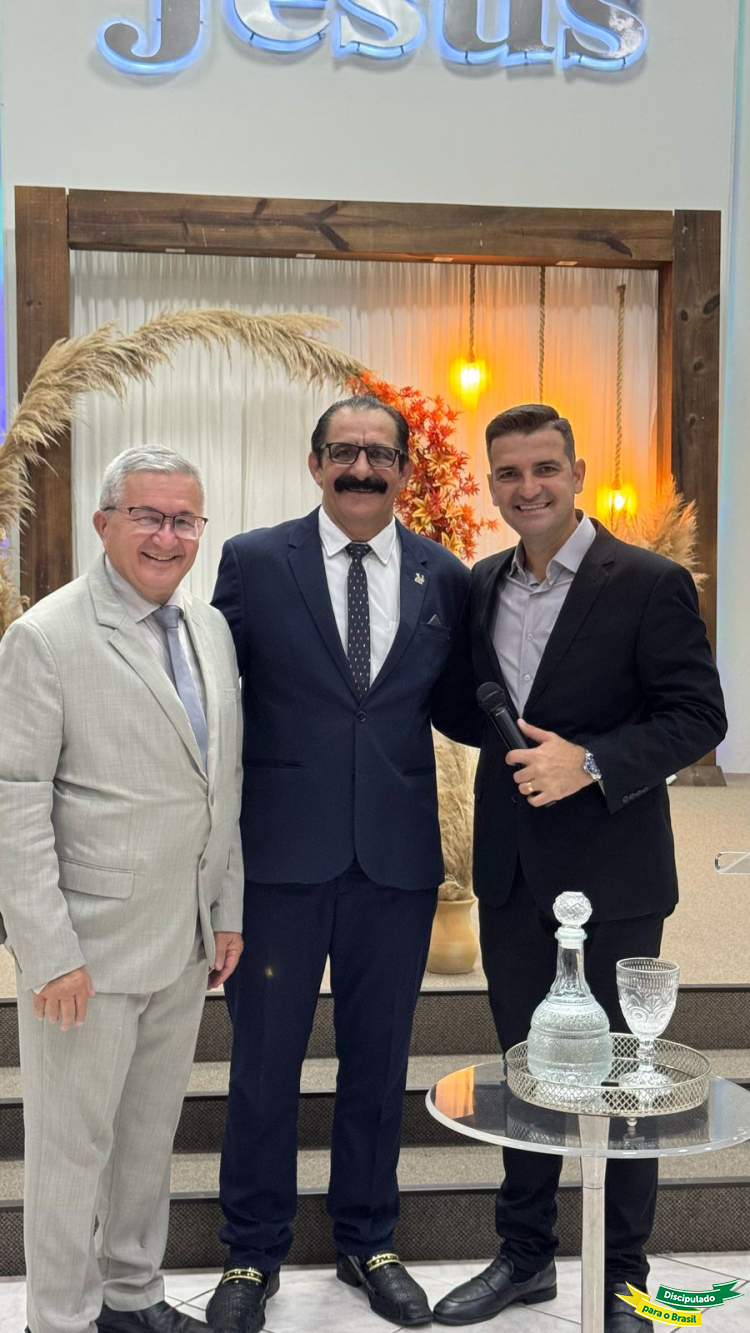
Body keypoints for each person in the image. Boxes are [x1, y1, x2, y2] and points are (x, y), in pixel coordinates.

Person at [432, 404, 727, 1333]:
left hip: (616, 871)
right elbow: (468, 703)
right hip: (512, 871)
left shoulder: (648, 581)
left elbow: (699, 715)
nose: (528, 487)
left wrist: (591, 761)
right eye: (510, 472)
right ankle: (525, 1256)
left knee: (624, 1079)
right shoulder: (482, 582)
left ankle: (624, 1276)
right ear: (493, 483)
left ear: (578, 473)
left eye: (545, 468)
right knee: (526, 1071)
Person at [208, 395, 470, 1333]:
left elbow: (463, 701)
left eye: (380, 454)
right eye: (344, 451)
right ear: (315, 462)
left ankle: (368, 1239)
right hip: (279, 859)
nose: (363, 468)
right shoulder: (252, 561)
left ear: (405, 470)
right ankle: (251, 1250)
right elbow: (216, 698)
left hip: (394, 865)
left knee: (378, 1060)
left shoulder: (444, 575)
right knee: (264, 1065)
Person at [0, 447, 245, 1333]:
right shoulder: (46, 637)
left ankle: (132, 1298)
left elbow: (223, 780)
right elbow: (14, 802)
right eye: (147, 515)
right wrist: (48, 952)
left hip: (183, 942)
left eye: (184, 519)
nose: (166, 536)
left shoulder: (208, 628)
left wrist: (226, 910)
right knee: (72, 1153)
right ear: (104, 523)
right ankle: (60, 1319)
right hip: (87, 955)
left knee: (147, 1138)